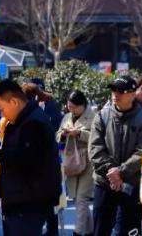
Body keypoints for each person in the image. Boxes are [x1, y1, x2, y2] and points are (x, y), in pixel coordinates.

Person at [0, 79, 61, 236]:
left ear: (14, 102)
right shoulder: (22, 121)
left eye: (1, 109)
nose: (1, 114)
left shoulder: (33, 123)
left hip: (27, 204)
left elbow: (25, 160)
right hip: (20, 202)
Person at [89, 75, 142, 236]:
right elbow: (95, 149)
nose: (115, 94)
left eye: (120, 91)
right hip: (104, 183)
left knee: (129, 231)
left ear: (132, 94)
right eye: (113, 90)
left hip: (131, 185)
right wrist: (111, 171)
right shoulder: (102, 116)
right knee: (100, 230)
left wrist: (121, 171)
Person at [22, 81, 63, 235]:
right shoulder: (33, 113)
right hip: (44, 171)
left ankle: (51, 231)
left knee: (44, 209)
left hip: (42, 171)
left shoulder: (38, 114)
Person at [57, 91, 95, 236]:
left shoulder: (93, 116)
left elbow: (97, 136)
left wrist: (79, 133)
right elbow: (57, 134)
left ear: (82, 105)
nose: (71, 110)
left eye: (74, 107)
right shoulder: (67, 117)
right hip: (72, 162)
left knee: (81, 199)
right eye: (69, 107)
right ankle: (90, 231)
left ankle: (77, 233)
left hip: (88, 162)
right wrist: (63, 134)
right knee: (78, 199)